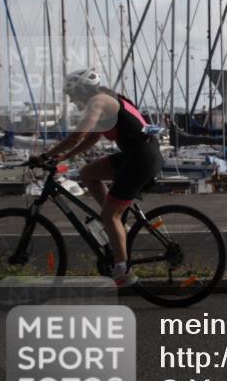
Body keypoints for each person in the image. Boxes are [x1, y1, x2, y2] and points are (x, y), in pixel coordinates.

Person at [30, 69, 163, 286]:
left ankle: (122, 270)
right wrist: (64, 157)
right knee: (88, 173)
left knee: (110, 215)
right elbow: (91, 139)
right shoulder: (105, 100)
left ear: (82, 90)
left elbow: (77, 135)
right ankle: (116, 223)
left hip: (141, 159)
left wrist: (47, 155)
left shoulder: (98, 102)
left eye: (72, 94)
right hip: (137, 155)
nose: (72, 100)